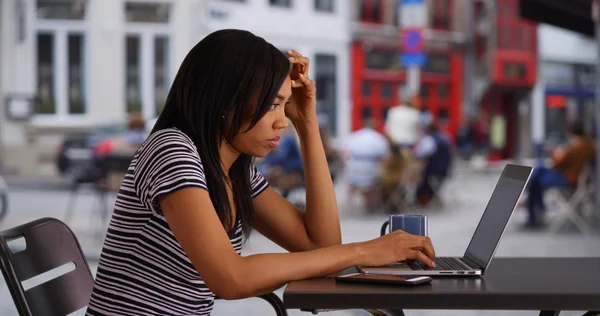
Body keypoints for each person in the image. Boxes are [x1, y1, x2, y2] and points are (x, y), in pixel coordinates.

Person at [85, 29, 435, 316]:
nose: (281, 120)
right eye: (271, 104)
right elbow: (231, 278)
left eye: (284, 104)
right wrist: (365, 252)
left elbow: (320, 245)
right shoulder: (172, 151)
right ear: (224, 98)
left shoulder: (234, 167)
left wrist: (307, 123)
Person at [525, 120, 595, 228]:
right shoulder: (589, 145)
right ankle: (535, 208)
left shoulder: (576, 147)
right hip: (574, 178)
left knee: (536, 179)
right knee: (539, 170)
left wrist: (557, 153)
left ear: (571, 132)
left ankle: (533, 215)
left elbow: (557, 164)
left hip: (569, 180)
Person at [342, 118, 391, 211]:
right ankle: (374, 205)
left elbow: (344, 154)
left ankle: (350, 205)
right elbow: (386, 159)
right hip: (372, 172)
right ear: (374, 127)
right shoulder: (379, 138)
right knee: (376, 184)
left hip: (354, 171)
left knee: (351, 185)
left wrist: (347, 166)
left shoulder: (354, 136)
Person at [413, 122, 453, 206]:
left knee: (421, 180)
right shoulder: (445, 137)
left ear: (428, 130)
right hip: (445, 170)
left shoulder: (429, 140)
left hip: (433, 171)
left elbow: (420, 154)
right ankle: (430, 198)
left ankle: (422, 200)